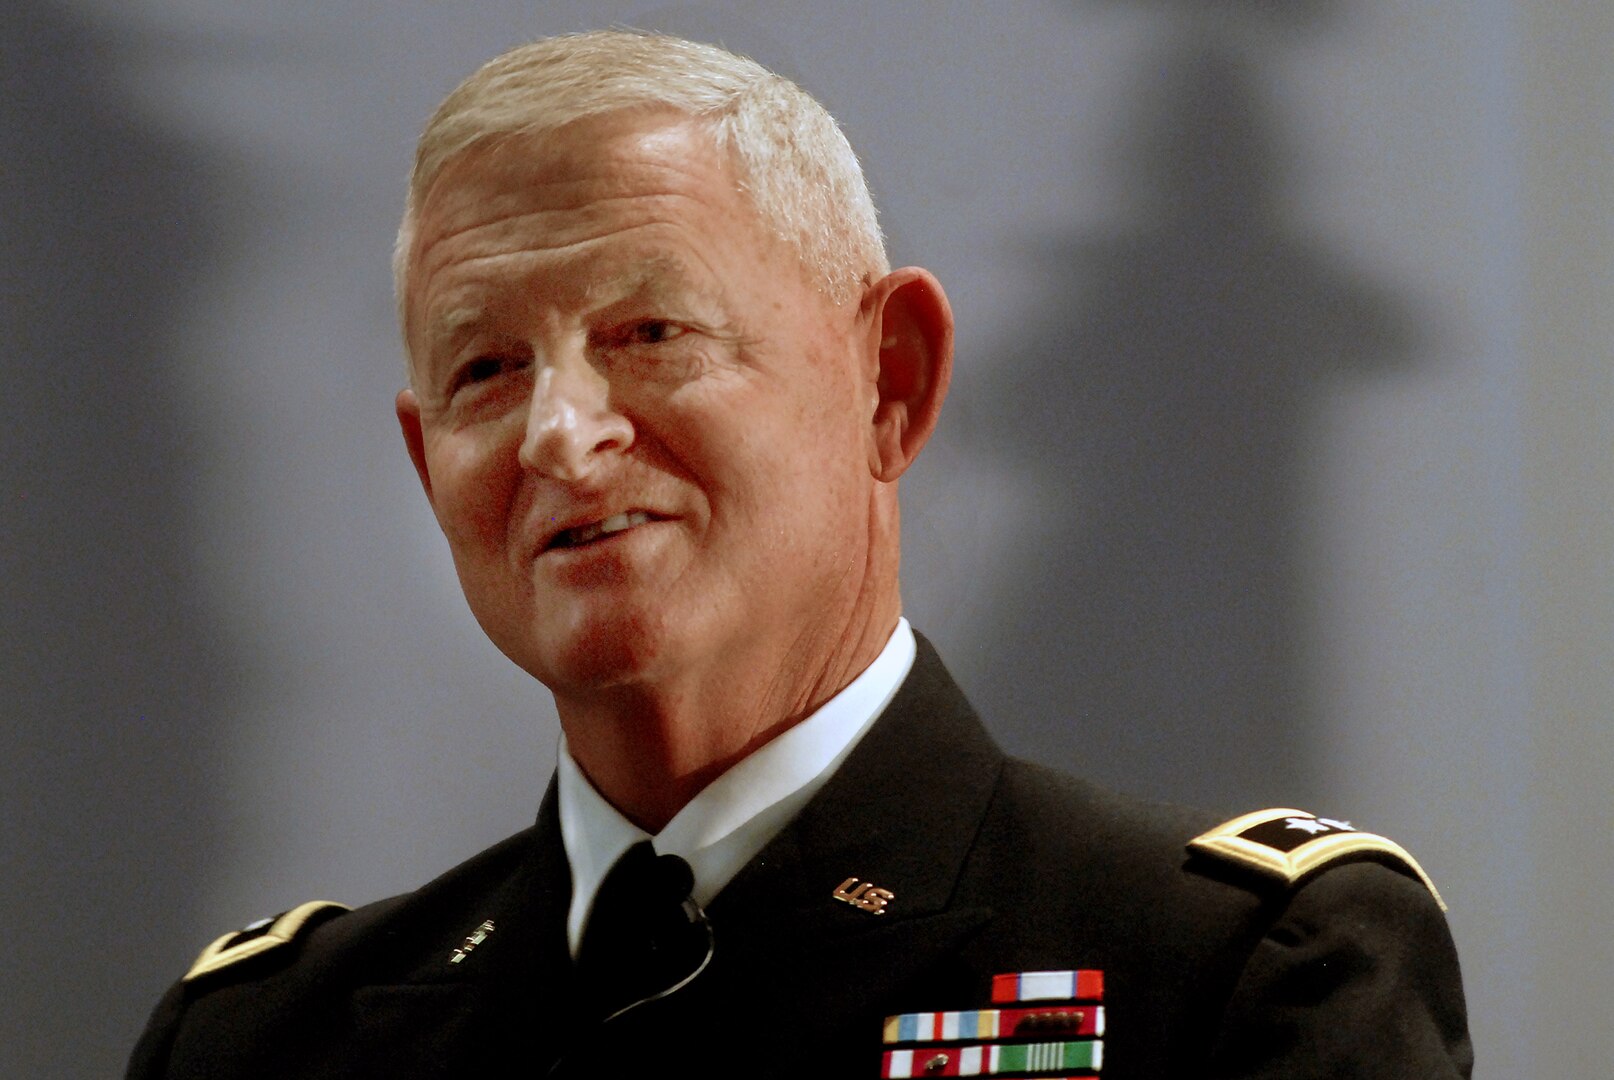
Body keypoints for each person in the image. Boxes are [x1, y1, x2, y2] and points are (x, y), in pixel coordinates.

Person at [127, 30, 1472, 1079]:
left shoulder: (1227, 971)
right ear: (431, 472)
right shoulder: (265, 1047)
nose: (560, 432)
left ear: (886, 381)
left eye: (650, 332)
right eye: (486, 368)